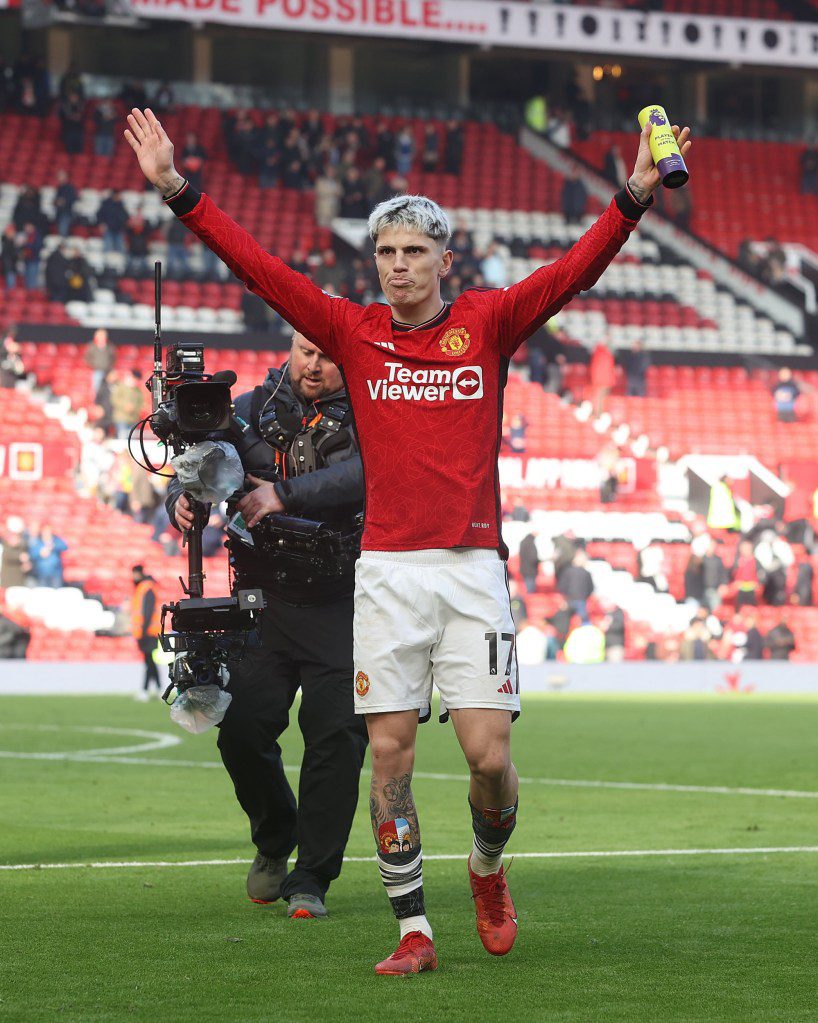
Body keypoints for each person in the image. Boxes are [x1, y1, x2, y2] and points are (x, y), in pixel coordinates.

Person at [126, 104, 688, 975]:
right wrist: (175, 187)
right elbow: (261, 270)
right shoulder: (353, 332)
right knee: (388, 751)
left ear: (444, 261)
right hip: (384, 572)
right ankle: (412, 928)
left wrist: (635, 196)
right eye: (386, 253)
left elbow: (576, 271)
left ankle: (488, 865)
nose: (397, 267)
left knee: (488, 759)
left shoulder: (491, 322)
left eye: (413, 253)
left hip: (471, 570)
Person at [165, 331, 367, 920]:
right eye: (306, 352)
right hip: (261, 604)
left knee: (336, 739)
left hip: (345, 603)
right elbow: (195, 467)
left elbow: (367, 478)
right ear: (289, 349)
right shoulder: (245, 409)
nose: (314, 366)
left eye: (329, 357)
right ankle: (276, 837)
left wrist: (283, 494)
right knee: (242, 730)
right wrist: (181, 497)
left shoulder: (376, 410)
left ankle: (313, 877)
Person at [130, 564, 162, 699]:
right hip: (146, 631)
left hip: (148, 631)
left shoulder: (146, 588)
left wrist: (143, 631)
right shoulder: (143, 588)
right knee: (149, 662)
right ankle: (159, 689)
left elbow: (147, 612)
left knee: (149, 662)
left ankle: (145, 690)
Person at [84, 328, 115, 399]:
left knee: (109, 390)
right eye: (100, 335)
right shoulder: (92, 346)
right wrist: (94, 365)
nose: (101, 337)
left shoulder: (110, 346)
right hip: (97, 371)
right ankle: (97, 402)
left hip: (107, 371)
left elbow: (113, 357)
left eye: (103, 335)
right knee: (96, 389)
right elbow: (87, 358)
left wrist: (109, 367)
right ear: (96, 336)